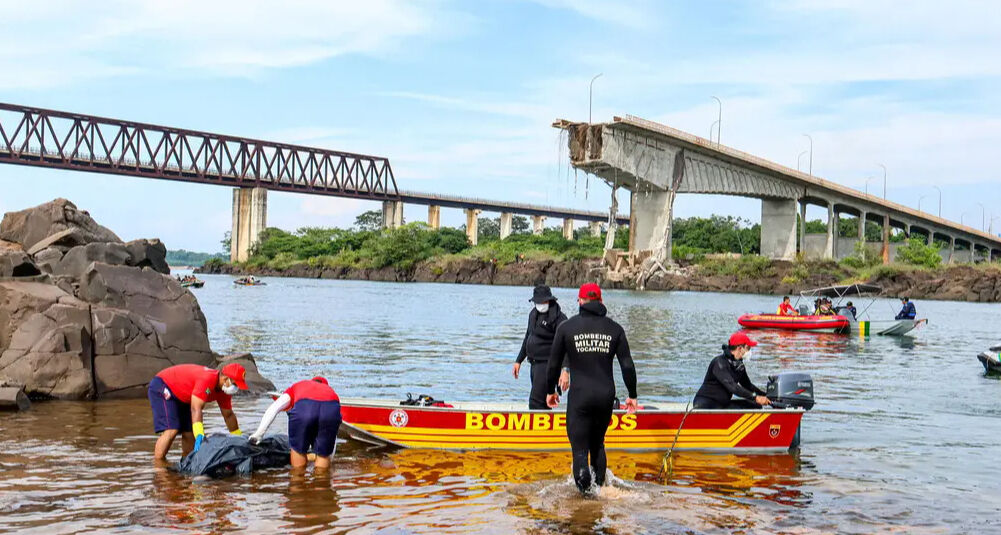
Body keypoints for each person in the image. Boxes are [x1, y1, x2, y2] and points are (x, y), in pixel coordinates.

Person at [546, 283, 638, 495]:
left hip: (580, 396)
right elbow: (627, 365)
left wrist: (551, 391)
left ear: (580, 301)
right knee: (598, 445)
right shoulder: (615, 329)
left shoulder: (567, 327)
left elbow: (553, 364)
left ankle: (586, 499)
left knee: (580, 451)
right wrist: (632, 395)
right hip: (605, 396)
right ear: (601, 301)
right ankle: (600, 493)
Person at [148, 363, 248, 460]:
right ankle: (159, 466)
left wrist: (238, 437)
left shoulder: (224, 391)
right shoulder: (207, 380)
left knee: (189, 433)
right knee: (172, 429)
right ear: (225, 379)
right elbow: (196, 409)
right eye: (235, 384)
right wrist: (200, 435)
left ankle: (187, 461)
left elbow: (228, 415)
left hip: (185, 395)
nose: (236, 388)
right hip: (164, 385)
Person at [249, 376, 342, 469]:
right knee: (323, 455)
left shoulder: (299, 386)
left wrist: (259, 434)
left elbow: (274, 408)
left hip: (304, 409)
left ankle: (298, 476)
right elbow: (333, 433)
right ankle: (320, 477)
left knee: (298, 451)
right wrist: (327, 452)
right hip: (330, 409)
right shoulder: (331, 392)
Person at [513, 285, 569, 409]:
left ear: (550, 300)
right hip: (534, 363)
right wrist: (518, 360)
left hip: (548, 364)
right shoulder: (533, 314)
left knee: (536, 401)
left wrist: (565, 370)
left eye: (543, 302)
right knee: (543, 399)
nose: (541, 305)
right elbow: (528, 337)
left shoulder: (560, 318)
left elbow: (566, 346)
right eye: (538, 302)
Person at [692, 332, 771, 410]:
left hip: (723, 404)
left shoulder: (739, 366)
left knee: (756, 406)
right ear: (740, 348)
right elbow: (733, 387)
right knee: (754, 400)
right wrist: (755, 397)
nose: (750, 351)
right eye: (748, 348)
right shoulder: (719, 363)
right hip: (706, 404)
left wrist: (766, 395)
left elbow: (748, 386)